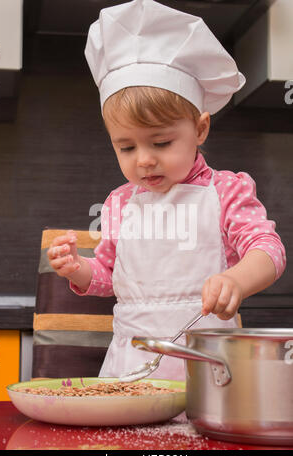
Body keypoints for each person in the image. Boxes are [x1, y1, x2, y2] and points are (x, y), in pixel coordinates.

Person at [47, 0, 286, 380]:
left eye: (160, 143)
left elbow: (269, 251)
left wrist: (236, 280)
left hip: (209, 367)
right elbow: (110, 276)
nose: (143, 160)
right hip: (130, 366)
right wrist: (78, 270)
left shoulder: (225, 191)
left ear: (200, 130)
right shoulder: (119, 202)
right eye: (126, 147)